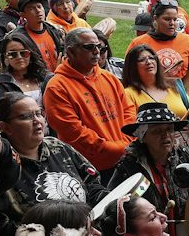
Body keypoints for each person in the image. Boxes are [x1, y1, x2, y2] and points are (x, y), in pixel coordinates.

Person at [0, 92, 104, 236]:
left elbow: (92, 183)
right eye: (25, 117)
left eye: (38, 113)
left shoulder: (57, 147)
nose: (37, 121)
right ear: (5, 127)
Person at [41, 28, 132, 172]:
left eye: (99, 47)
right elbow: (74, 133)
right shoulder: (57, 87)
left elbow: (129, 111)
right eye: (89, 47)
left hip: (124, 160)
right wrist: (118, 148)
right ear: (70, 52)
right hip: (90, 170)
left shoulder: (109, 78)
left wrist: (127, 142)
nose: (96, 51)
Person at [119, 43, 189, 116]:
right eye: (142, 60)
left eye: (151, 58)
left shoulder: (174, 85)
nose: (149, 62)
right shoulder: (128, 94)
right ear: (132, 67)